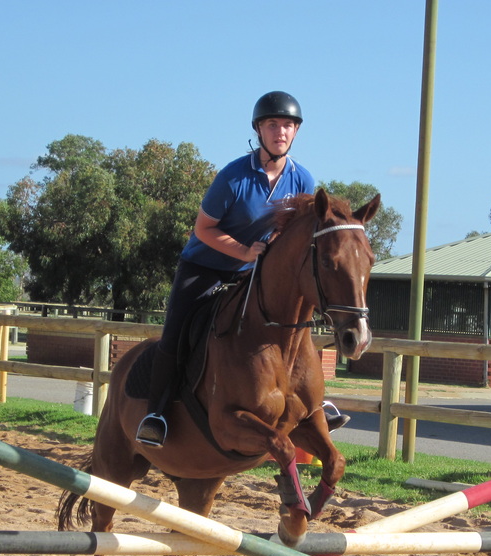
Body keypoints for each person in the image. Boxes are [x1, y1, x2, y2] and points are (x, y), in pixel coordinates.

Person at [136, 91, 348, 447]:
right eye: (272, 124)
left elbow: (291, 231)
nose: (280, 131)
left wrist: (269, 256)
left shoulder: (303, 180)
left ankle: (311, 403)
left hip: (254, 270)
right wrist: (245, 251)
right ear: (259, 131)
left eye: (287, 125)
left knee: (293, 324)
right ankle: (156, 414)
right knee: (174, 335)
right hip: (205, 266)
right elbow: (203, 229)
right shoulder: (233, 177)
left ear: (295, 132)